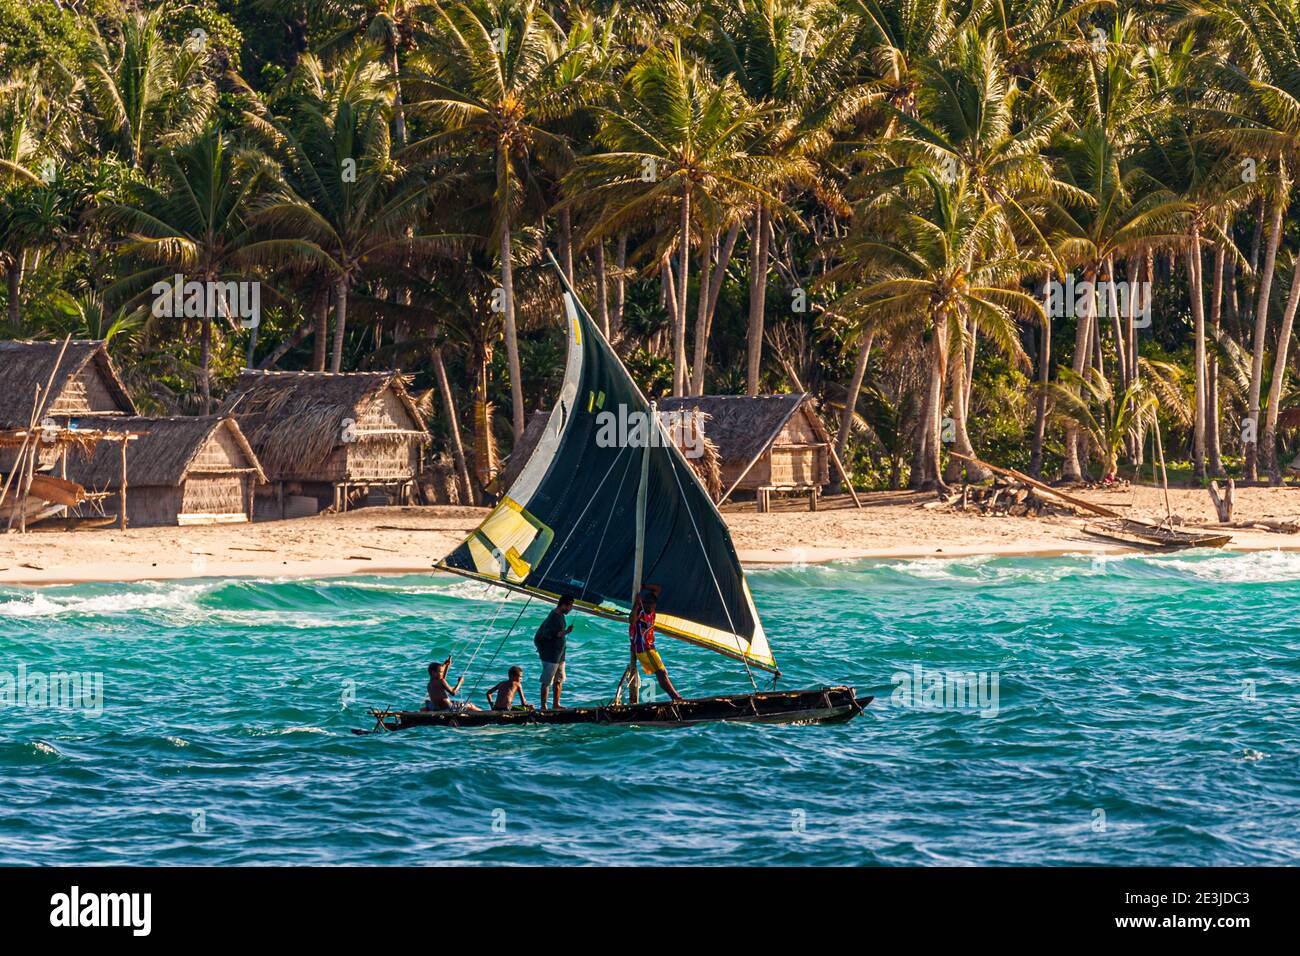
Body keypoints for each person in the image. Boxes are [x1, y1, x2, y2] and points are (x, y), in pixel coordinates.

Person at [628, 585, 683, 702]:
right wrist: (636, 605)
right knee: (661, 673)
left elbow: (658, 589)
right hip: (642, 648)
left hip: (651, 647)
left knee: (663, 673)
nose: (648, 605)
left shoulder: (652, 611)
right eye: (646, 603)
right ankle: (676, 698)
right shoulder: (640, 611)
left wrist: (642, 586)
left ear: (655, 604)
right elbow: (631, 621)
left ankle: (676, 698)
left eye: (651, 603)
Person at [533, 595, 574, 710]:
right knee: (547, 681)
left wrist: (566, 632)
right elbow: (549, 633)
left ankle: (556, 704)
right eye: (570, 606)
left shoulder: (560, 616)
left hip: (560, 655)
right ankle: (544, 707)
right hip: (551, 655)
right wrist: (564, 632)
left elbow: (559, 633)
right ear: (564, 605)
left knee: (559, 680)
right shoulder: (553, 617)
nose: (570, 609)